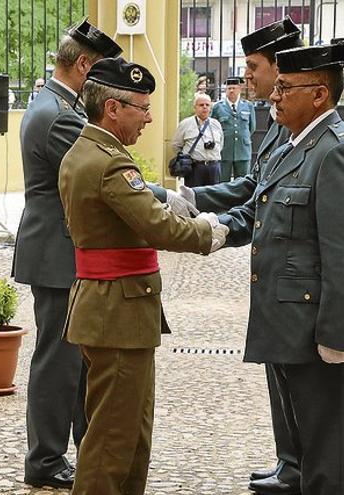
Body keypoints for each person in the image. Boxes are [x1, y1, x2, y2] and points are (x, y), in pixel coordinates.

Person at [59, 57, 228, 495]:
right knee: (113, 440)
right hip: (117, 312)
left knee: (131, 433)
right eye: (143, 107)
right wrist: (208, 233)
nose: (150, 117)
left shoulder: (86, 152)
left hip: (113, 308)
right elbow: (160, 227)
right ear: (113, 108)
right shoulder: (110, 163)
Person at [219, 38, 344, 495]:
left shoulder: (339, 152)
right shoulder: (295, 146)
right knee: (308, 456)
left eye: (285, 87)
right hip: (293, 326)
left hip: (321, 333)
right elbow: (259, 212)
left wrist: (335, 338)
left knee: (328, 464)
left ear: (319, 94)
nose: (273, 94)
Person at [179, 18, 306, 492]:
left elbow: (257, 197)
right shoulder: (276, 123)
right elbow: (254, 189)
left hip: (298, 284)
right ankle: (290, 462)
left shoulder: (308, 132)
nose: (246, 77)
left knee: (298, 380)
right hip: (276, 281)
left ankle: (297, 466)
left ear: (281, 68)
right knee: (280, 374)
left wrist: (206, 223)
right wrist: (193, 201)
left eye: (253, 67)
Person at [12, 18, 125, 490]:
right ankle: (45, 460)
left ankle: (72, 451)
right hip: (58, 252)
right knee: (58, 361)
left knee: (74, 359)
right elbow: (103, 176)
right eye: (102, 72)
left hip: (60, 249)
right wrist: (165, 200)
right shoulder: (60, 114)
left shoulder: (56, 104)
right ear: (83, 64)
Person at [171, 93, 224, 186]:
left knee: (214, 198)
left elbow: (221, 144)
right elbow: (176, 145)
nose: (204, 107)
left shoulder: (216, 124)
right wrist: (186, 159)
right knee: (193, 197)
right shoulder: (185, 124)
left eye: (207, 105)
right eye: (201, 105)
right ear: (195, 107)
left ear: (210, 107)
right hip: (195, 168)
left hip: (214, 167)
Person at [212, 77, 255, 181]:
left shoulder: (248, 106)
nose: (231, 90)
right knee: (222, 182)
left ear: (239, 89)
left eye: (234, 88)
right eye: (229, 88)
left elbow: (252, 127)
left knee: (243, 183)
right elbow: (213, 127)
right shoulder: (218, 107)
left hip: (242, 150)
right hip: (224, 150)